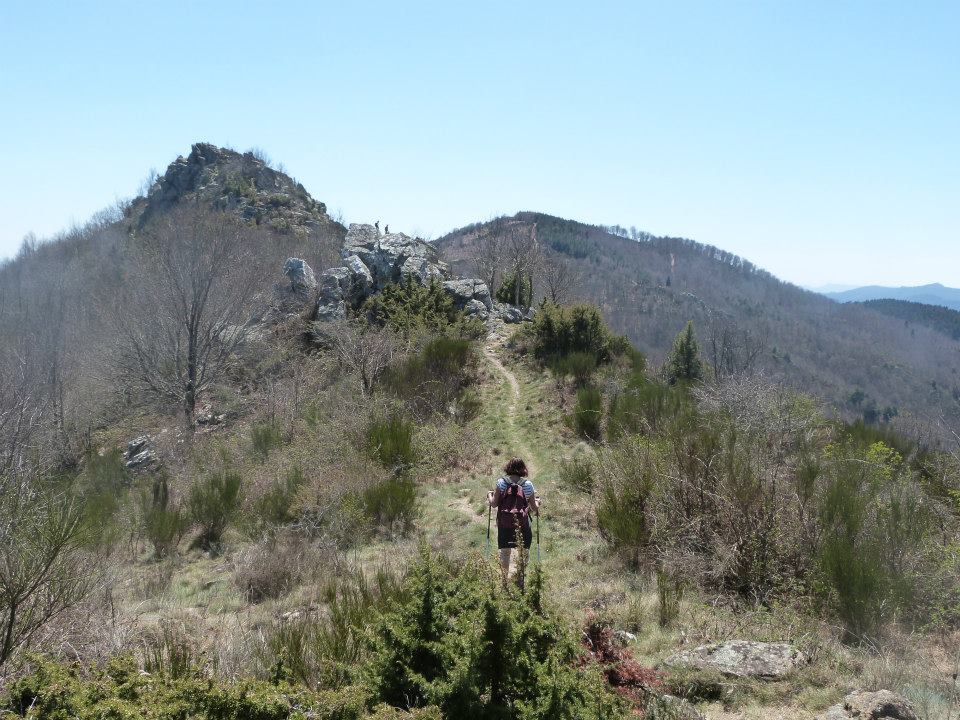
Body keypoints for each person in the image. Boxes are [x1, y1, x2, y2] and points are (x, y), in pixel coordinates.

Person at [487, 457, 540, 585]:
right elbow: (533, 508)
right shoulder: (527, 485)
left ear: (508, 467)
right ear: (523, 469)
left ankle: (504, 581)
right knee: (524, 551)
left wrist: (489, 495)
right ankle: (520, 580)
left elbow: (494, 504)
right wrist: (538, 502)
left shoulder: (501, 483)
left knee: (505, 553)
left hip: (504, 524)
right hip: (523, 524)